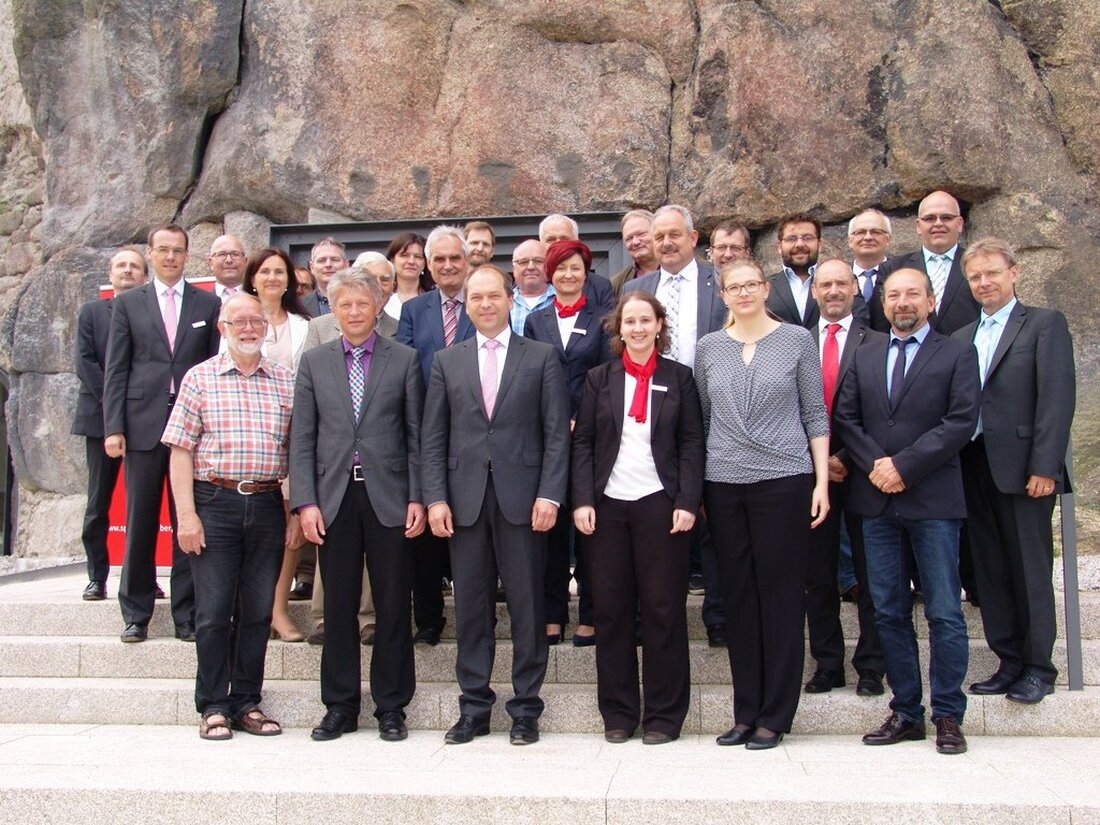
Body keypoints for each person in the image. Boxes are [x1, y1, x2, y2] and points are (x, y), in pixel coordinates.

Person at [421, 265, 570, 746]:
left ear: (510, 300)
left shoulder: (542, 356)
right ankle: (475, 707)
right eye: (475, 298)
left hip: (525, 501)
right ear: (466, 305)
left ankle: (526, 708)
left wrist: (550, 494)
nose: (485, 304)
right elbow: (433, 438)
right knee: (471, 608)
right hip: (463, 503)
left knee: (527, 606)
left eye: (493, 296)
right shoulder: (447, 360)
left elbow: (555, 435)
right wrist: (435, 498)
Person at [834, 267, 980, 755]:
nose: (901, 302)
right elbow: (845, 418)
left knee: (943, 610)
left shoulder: (958, 352)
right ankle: (906, 711)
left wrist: (904, 466)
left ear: (930, 301)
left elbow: (960, 422)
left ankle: (948, 715)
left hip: (932, 499)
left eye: (912, 294)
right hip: (875, 501)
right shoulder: (866, 352)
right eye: (893, 294)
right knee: (889, 611)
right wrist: (877, 464)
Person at [695, 259, 831, 750]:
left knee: (780, 597)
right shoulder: (708, 349)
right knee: (739, 599)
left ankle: (775, 714)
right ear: (724, 295)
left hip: (785, 480)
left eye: (751, 284)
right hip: (725, 484)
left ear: (766, 288)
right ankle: (744, 711)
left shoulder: (796, 340)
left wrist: (821, 483)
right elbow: (703, 422)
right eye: (734, 287)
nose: (744, 292)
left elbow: (815, 412)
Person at [290, 267, 424, 743]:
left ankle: (391, 707)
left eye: (361, 304)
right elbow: (302, 438)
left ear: (377, 307)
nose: (353, 312)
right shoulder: (316, 362)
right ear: (333, 309)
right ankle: (340, 705)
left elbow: (417, 437)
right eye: (343, 304)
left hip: (389, 498)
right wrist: (304, 502)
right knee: (339, 606)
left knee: (391, 604)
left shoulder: (404, 360)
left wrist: (417, 497)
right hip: (333, 500)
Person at [162, 292, 295, 741]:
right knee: (215, 612)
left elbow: (296, 451)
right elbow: (180, 451)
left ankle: (247, 702)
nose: (249, 329)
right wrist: (186, 515)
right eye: (238, 322)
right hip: (213, 504)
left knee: (257, 611)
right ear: (223, 329)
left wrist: (294, 509)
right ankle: (214, 705)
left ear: (267, 327)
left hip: (265, 503)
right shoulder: (199, 379)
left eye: (256, 321)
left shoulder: (285, 381)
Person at [572, 291, 703, 744]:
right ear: (618, 328)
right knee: (611, 611)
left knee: (664, 610)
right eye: (630, 321)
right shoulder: (598, 379)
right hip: (607, 506)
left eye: (646, 320)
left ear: (659, 325)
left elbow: (690, 443)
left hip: (660, 505)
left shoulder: (679, 378)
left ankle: (665, 716)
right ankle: (620, 714)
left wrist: (687, 501)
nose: (638, 328)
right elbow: (584, 442)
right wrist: (582, 499)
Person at [955, 239, 1075, 705]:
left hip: (1025, 470)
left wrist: (1045, 466)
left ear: (1014, 273)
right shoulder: (964, 335)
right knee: (989, 570)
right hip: (974, 466)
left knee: (1029, 568)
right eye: (976, 277)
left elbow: (1057, 399)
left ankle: (1039, 667)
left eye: (992, 274)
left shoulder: (1044, 324)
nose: (985, 283)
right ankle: (1007, 661)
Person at [103, 223, 222, 643]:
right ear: (150, 254)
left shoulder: (206, 304)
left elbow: (211, 371)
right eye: (163, 250)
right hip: (142, 426)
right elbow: (117, 368)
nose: (170, 257)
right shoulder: (129, 304)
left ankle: (186, 614)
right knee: (140, 521)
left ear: (187, 255)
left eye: (178, 250)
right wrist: (113, 427)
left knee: (188, 521)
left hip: (190, 432)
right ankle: (136, 612)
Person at [623, 204, 729, 648]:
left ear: (693, 237)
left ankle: (719, 616)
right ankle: (651, 616)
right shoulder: (637, 287)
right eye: (658, 235)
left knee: (713, 515)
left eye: (674, 235)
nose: (665, 242)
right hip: (653, 415)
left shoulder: (719, 283)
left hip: (712, 410)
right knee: (658, 515)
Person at [803, 259, 885, 697]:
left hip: (864, 472)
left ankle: (872, 665)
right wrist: (816, 461)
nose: (833, 291)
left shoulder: (878, 342)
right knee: (817, 575)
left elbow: (886, 410)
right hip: (810, 476)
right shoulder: (795, 342)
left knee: (872, 574)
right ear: (814, 291)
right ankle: (827, 663)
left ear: (855, 288)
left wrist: (848, 457)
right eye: (825, 284)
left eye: (841, 283)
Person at [524, 240, 612, 647]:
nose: (568, 276)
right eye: (560, 269)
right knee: (551, 528)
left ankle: (591, 613)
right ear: (549, 274)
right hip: (546, 436)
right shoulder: (535, 321)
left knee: (591, 526)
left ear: (586, 271)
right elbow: (530, 377)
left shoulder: (604, 319)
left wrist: (584, 418)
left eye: (575, 268)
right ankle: (553, 612)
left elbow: (607, 375)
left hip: (592, 435)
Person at [397, 225, 476, 647]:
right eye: (439, 259)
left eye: (455, 258)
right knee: (425, 531)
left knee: (470, 527)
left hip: (473, 431)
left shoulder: (483, 302)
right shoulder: (415, 310)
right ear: (429, 265)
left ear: (467, 262)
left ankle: (474, 617)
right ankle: (429, 617)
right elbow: (408, 367)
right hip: (427, 430)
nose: (448, 266)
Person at [240, 247, 311, 642]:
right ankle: (249, 610)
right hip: (246, 435)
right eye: (265, 271)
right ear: (253, 277)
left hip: (291, 429)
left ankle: (278, 610)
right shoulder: (237, 317)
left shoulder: (304, 324)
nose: (272, 278)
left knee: (289, 525)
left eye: (279, 272)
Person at [72, 247, 148, 601]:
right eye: (122, 265)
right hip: (101, 419)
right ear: (111, 272)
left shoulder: (151, 315)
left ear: (144, 276)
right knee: (98, 501)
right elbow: (85, 363)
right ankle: (96, 575)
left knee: (142, 505)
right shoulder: (91, 313)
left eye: (135, 266)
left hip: (144, 421)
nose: (128, 270)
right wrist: (116, 407)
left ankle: (140, 578)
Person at [878, 191, 980, 335]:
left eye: (946, 217)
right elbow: (880, 327)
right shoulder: (893, 269)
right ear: (919, 226)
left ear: (959, 224)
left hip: (968, 353)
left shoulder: (977, 265)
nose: (938, 224)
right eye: (930, 218)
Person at [766, 214, 869, 329]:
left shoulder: (844, 282)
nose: (800, 244)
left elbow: (860, 325)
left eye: (807, 238)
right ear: (779, 247)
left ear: (820, 244)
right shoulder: (765, 287)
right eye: (792, 238)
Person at [847, 209, 893, 332]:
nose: (868, 237)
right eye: (860, 232)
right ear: (850, 241)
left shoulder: (900, 275)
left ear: (888, 239)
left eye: (876, 232)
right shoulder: (841, 279)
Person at [509, 239, 553, 335]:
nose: (531, 267)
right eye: (523, 262)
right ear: (513, 269)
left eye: (538, 261)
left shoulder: (561, 300)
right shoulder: (503, 303)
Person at [384, 231, 432, 320]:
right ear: (392, 260)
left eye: (418, 257)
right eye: (404, 255)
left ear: (425, 263)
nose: (411, 261)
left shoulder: (434, 299)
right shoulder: (383, 299)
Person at [610, 210, 658, 296]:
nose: (635, 242)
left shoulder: (677, 271)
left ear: (656, 233)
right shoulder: (616, 285)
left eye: (641, 234)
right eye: (629, 238)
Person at [300, 237, 349, 317]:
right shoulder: (299, 307)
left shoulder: (362, 301)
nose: (328, 264)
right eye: (322, 260)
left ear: (346, 265)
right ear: (311, 267)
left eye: (335, 259)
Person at [208, 235, 247, 300]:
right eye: (222, 254)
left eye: (235, 254)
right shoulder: (200, 302)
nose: (229, 260)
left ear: (245, 261)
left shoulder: (259, 299)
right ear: (211, 263)